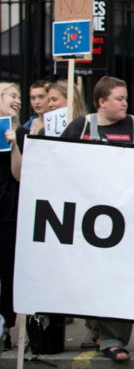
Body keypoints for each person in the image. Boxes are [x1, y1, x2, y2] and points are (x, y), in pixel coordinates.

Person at [61, 76, 134, 362]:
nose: (125, 103)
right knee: (92, 276)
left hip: (126, 219)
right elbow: (59, 163)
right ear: (101, 101)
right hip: (89, 219)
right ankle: (94, 328)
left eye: (126, 98)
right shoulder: (81, 128)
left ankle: (113, 339)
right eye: (119, 98)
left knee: (118, 277)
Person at [0, 83, 21, 350]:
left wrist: (15, 144)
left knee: (8, 273)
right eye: (12, 96)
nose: (17, 101)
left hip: (9, 211)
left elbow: (19, 174)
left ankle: (6, 326)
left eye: (18, 97)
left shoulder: (20, 132)